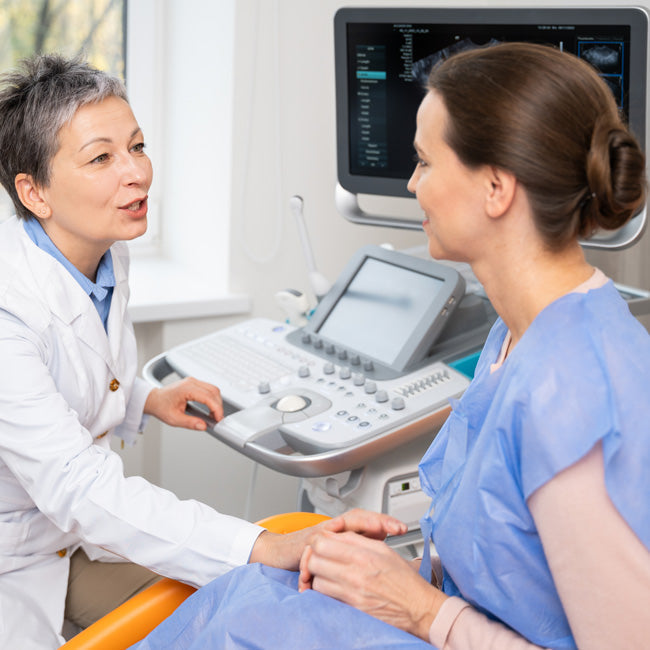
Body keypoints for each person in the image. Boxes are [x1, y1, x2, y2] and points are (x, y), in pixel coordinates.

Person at [130, 43, 650, 649]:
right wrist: (394, 577)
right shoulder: (515, 335)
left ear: (496, 188)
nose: (411, 184)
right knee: (254, 594)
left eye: (425, 162)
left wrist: (424, 611)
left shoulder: (574, 389)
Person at [0, 54, 405, 650]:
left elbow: (73, 373)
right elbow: (76, 482)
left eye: (138, 147)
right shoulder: (9, 308)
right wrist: (258, 543)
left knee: (242, 609)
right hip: (18, 555)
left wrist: (147, 400)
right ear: (34, 193)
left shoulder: (104, 250)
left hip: (66, 536)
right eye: (102, 158)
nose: (136, 173)